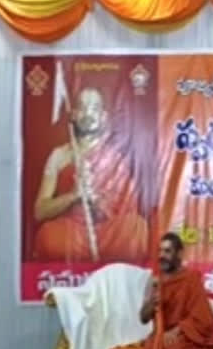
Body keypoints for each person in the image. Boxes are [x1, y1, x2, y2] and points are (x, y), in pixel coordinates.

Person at [107, 232, 213, 349]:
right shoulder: (154, 281)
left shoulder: (191, 279)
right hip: (160, 335)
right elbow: (143, 318)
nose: (162, 256)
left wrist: (179, 330)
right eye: (160, 251)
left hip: (187, 335)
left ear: (179, 254)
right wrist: (150, 304)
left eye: (167, 251)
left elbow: (203, 317)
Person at [33, 87, 148, 262]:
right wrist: (74, 195)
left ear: (104, 117)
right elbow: (40, 211)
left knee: (136, 227)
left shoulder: (114, 158)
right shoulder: (59, 155)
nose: (88, 113)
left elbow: (127, 208)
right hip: (71, 232)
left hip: (106, 232)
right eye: (82, 107)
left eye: (94, 108)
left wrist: (96, 200)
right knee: (47, 235)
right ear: (73, 114)